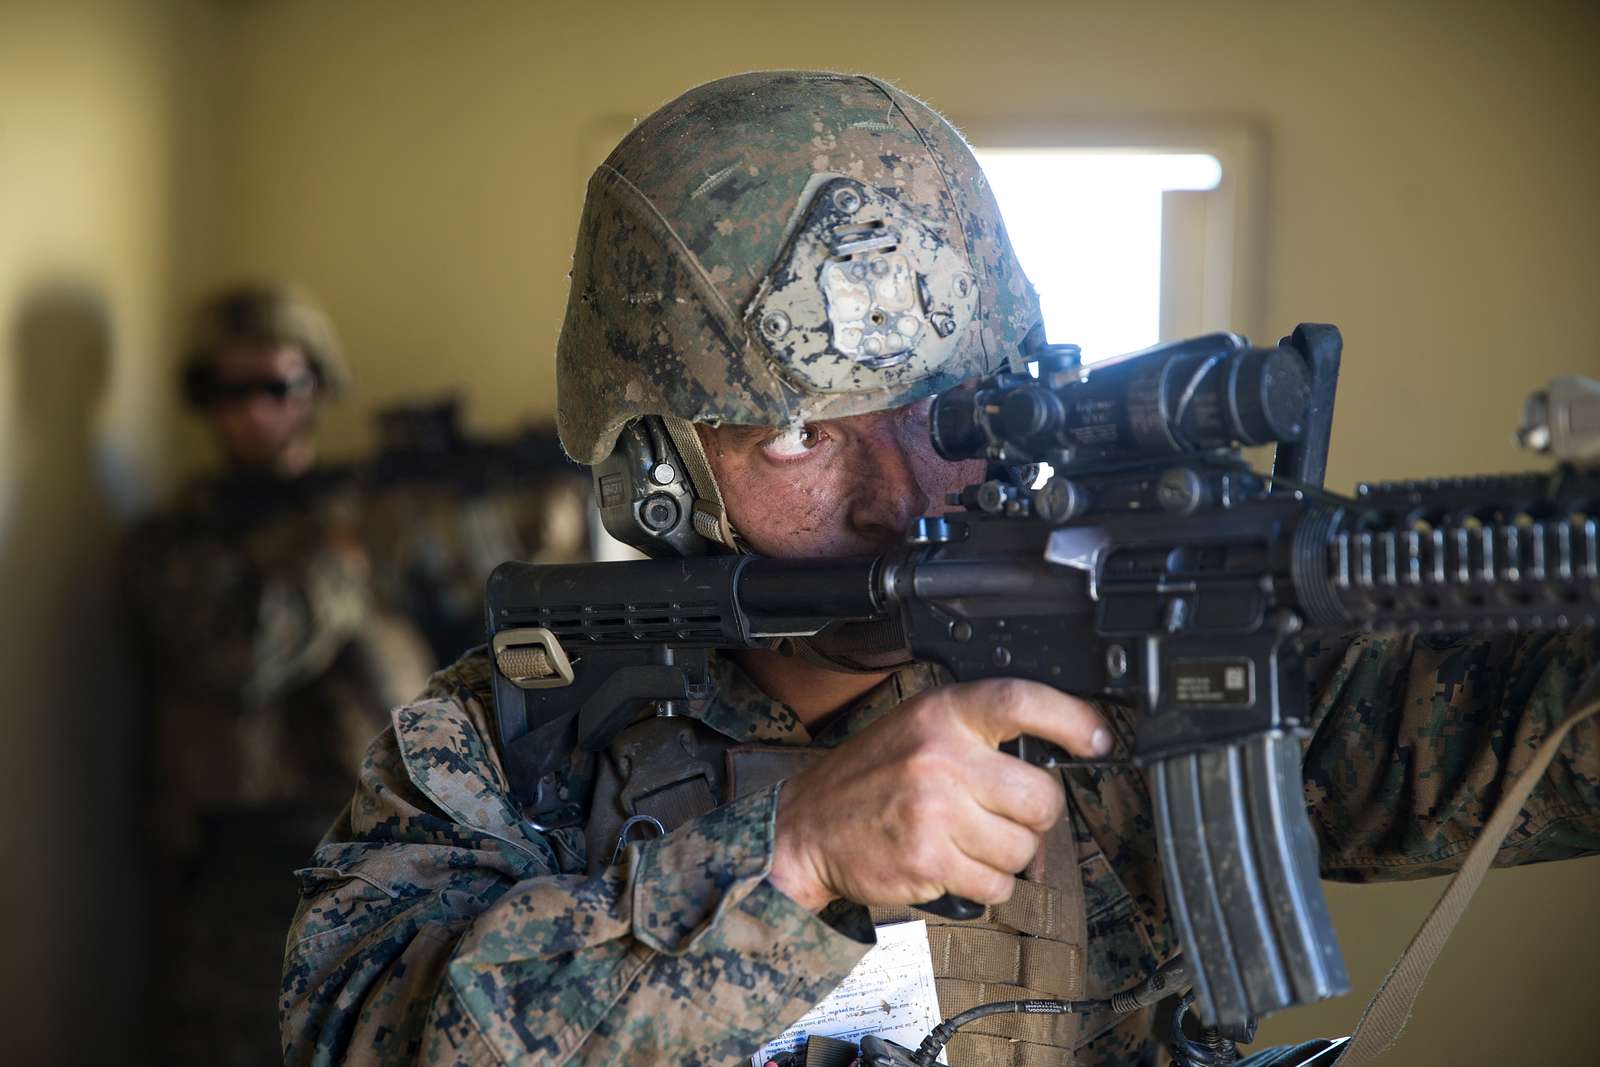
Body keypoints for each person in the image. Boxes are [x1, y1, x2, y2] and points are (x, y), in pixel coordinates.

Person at [279, 73, 1600, 1066]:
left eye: (952, 406)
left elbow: (1520, 729)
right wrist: (788, 857)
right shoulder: (519, 728)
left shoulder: (1144, 634)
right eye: (799, 431)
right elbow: (360, 1031)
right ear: (662, 464)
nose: (904, 486)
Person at [128, 284, 432, 1066]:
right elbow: (240, 657)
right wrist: (336, 566)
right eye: (228, 389)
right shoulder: (177, 536)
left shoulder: (375, 513)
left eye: (278, 385)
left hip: (377, 850)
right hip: (238, 866)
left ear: (316, 387)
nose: (255, 410)